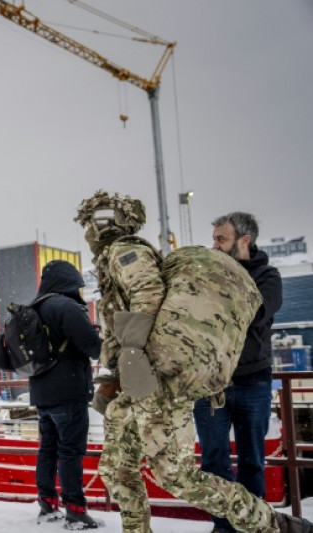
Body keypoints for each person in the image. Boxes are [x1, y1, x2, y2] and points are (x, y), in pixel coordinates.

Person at [75, 190, 311, 533]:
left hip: (154, 376)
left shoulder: (125, 251)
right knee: (118, 468)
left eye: (93, 222)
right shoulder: (113, 256)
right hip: (137, 379)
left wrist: (131, 357)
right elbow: (119, 322)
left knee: (176, 474)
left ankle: (272, 523)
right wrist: (114, 373)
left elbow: (147, 293)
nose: (89, 229)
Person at [193, 212, 283, 533]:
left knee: (252, 462)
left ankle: (252, 525)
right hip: (210, 384)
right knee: (214, 462)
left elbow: (254, 313)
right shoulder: (207, 277)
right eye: (214, 238)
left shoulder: (267, 277)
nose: (214, 245)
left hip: (252, 382)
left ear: (244, 241)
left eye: (221, 239)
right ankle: (224, 526)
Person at [27, 260, 102, 528]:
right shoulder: (65, 306)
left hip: (41, 393)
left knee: (47, 449)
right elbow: (92, 346)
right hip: (68, 391)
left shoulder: (35, 307)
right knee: (70, 451)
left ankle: (47, 504)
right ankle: (75, 510)